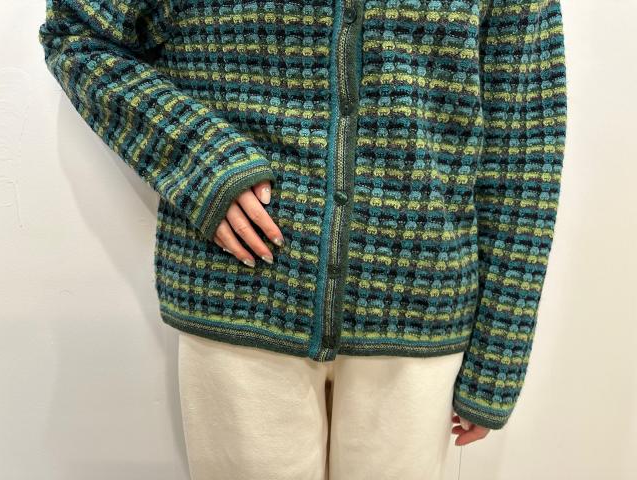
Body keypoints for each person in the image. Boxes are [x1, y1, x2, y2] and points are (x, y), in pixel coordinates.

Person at [37, 0, 567, 478]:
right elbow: (76, 34)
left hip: (417, 312)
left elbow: (525, 141)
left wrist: (499, 354)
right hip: (239, 297)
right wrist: (201, 159)